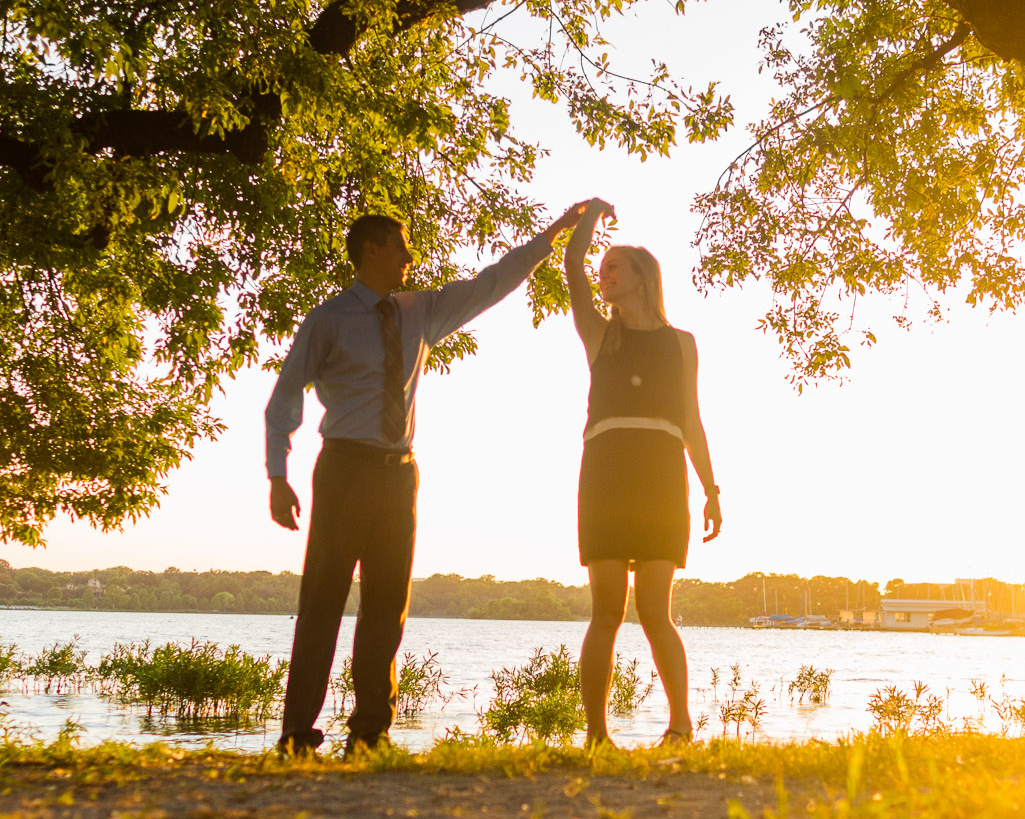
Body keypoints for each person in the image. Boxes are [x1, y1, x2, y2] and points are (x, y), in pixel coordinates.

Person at [266, 205, 588, 755]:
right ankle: (298, 733)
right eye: (400, 246)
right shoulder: (329, 320)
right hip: (344, 468)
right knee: (322, 601)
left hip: (400, 475)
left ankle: (369, 734)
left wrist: (554, 234)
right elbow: (284, 398)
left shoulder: (419, 312)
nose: (410, 258)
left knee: (387, 605)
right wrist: (278, 475)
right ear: (370, 250)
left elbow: (494, 282)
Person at [563, 200, 720, 747]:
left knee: (655, 608)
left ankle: (680, 727)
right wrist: (585, 221)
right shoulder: (598, 334)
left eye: (613, 267)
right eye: (601, 267)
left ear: (642, 278)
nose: (602, 275)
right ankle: (597, 735)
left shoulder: (681, 343)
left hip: (660, 475)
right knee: (606, 607)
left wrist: (711, 490)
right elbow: (570, 267)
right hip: (605, 473)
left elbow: (691, 420)